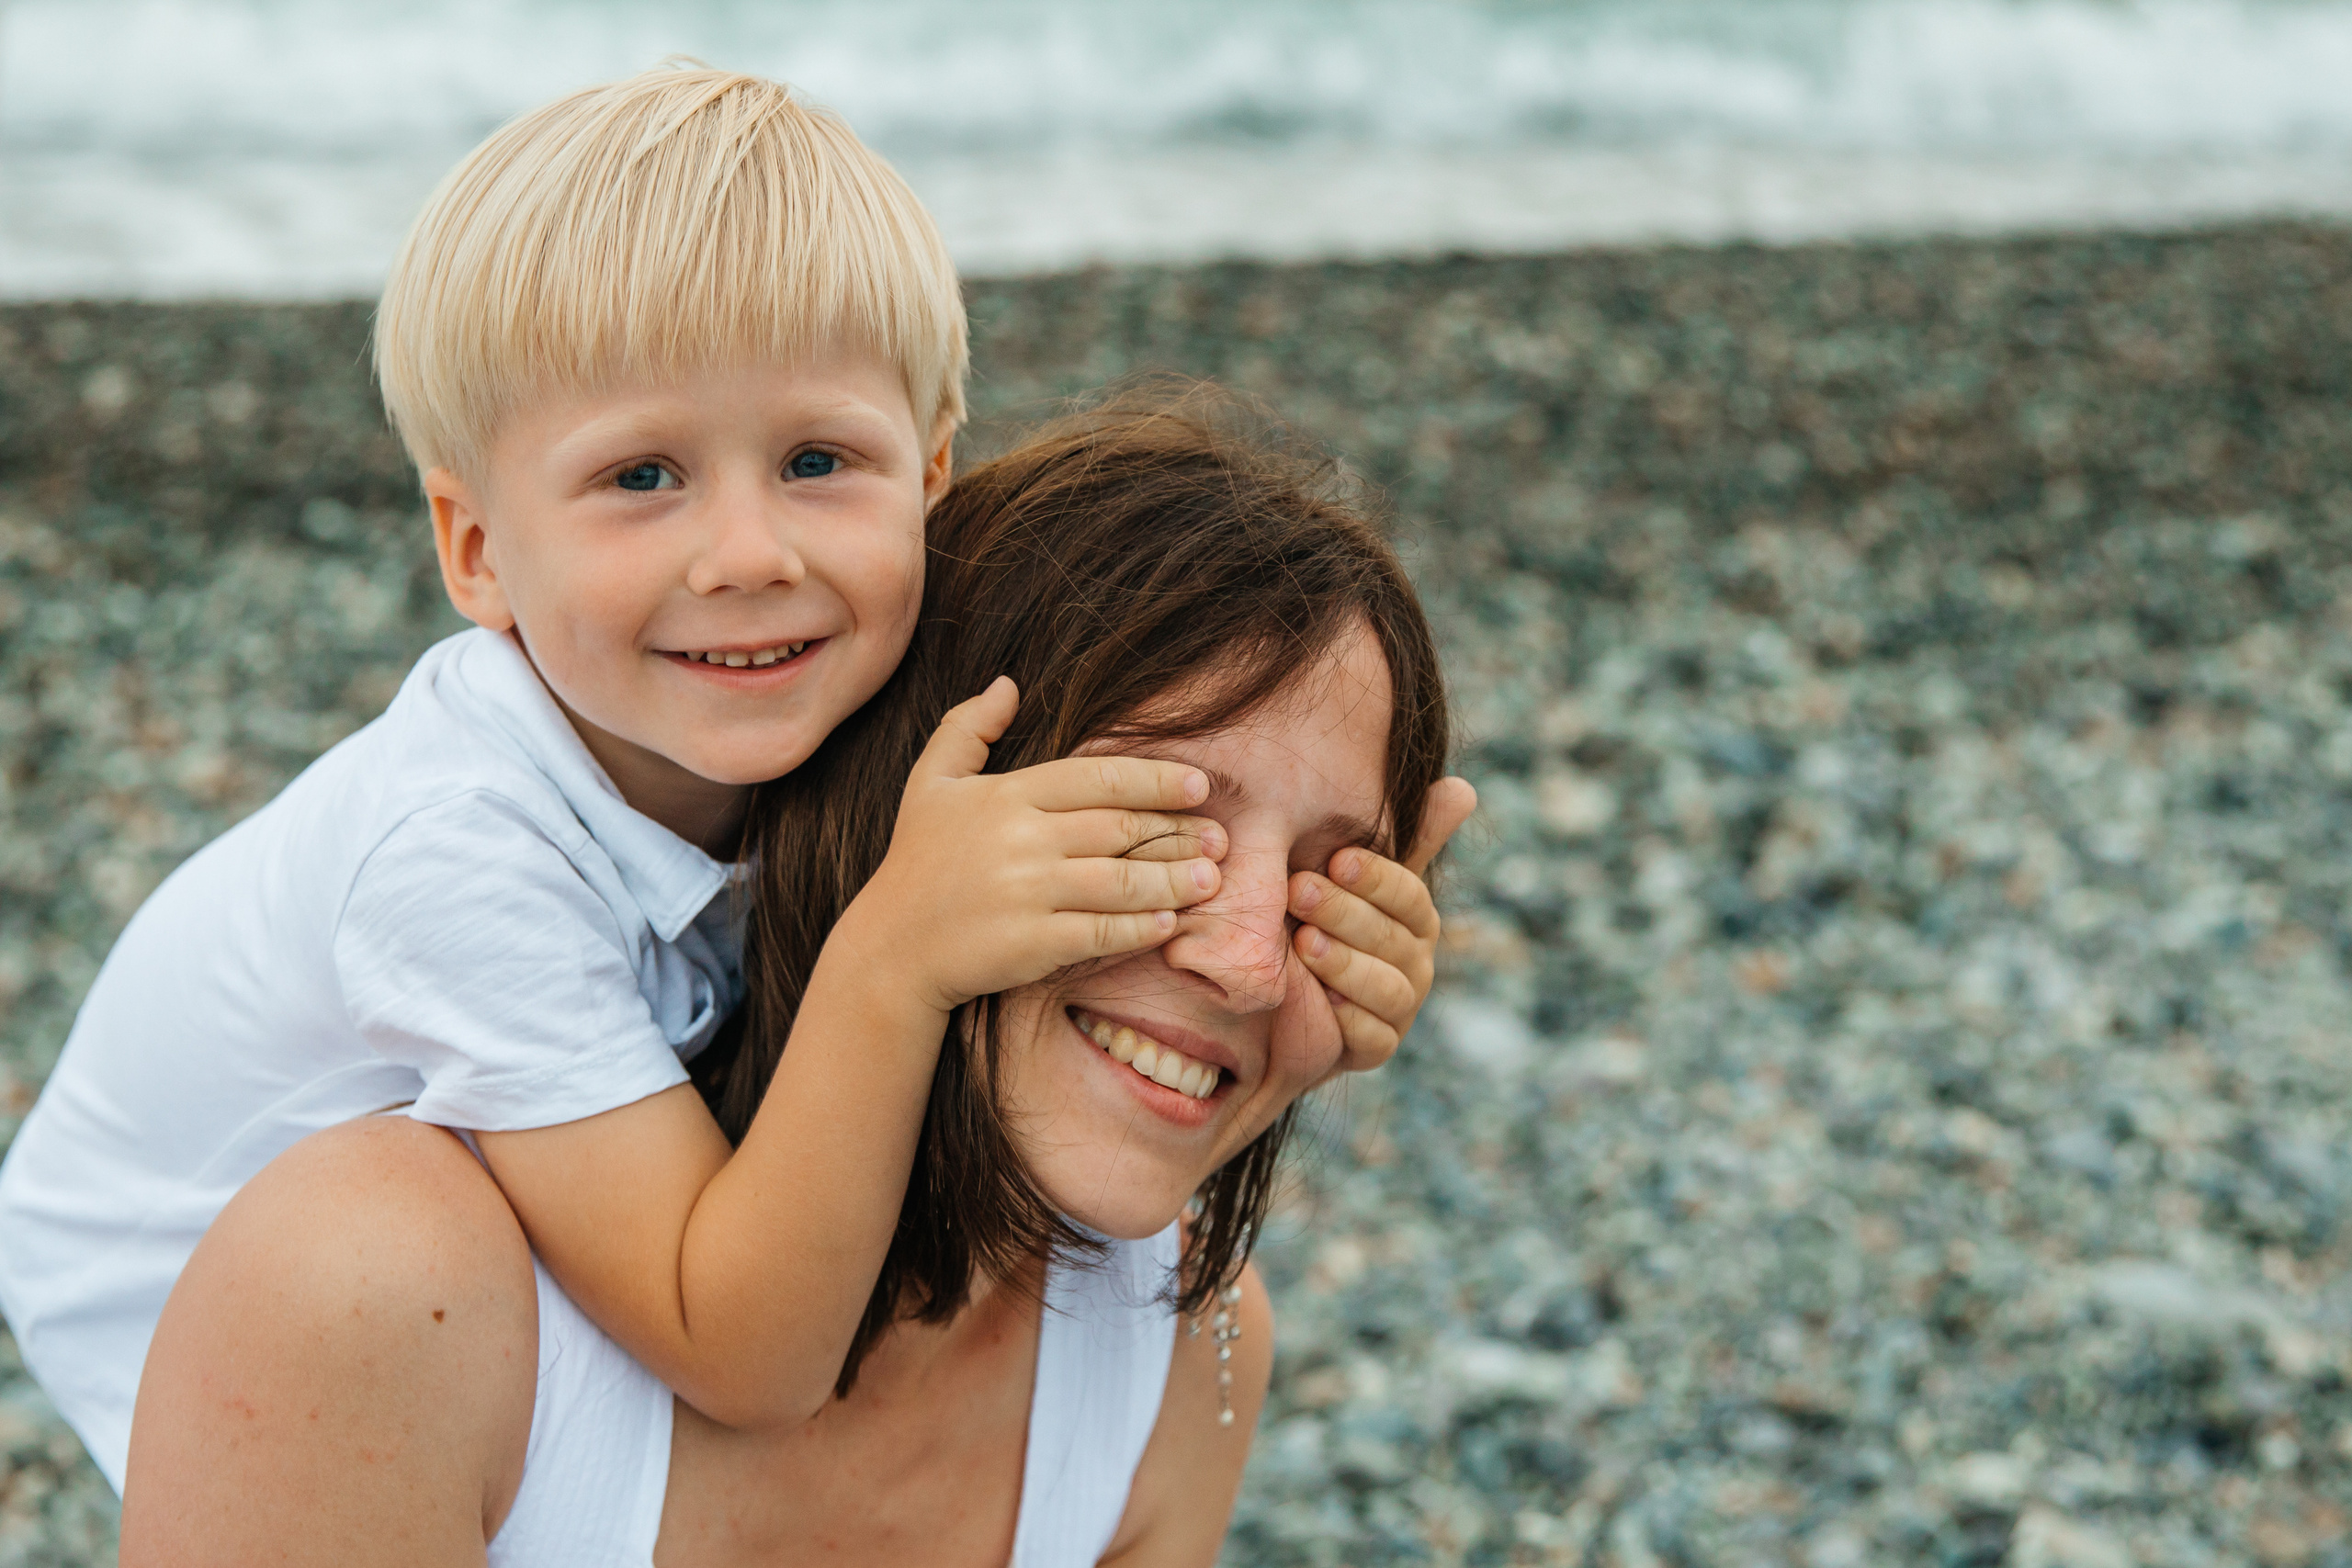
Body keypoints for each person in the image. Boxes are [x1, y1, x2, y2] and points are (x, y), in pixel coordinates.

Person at [0, 67, 1438, 1487]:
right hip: (183, 1292)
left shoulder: (747, 718)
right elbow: (744, 1352)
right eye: (642, 478)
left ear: (932, 479)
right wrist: (896, 955)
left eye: (819, 459)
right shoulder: (458, 850)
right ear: (476, 551)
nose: (750, 553)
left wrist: (1299, 957)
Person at [119, 392, 1476, 1566]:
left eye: (1326, 881)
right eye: (1152, 828)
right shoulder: (381, 1290)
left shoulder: (1182, 1355)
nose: (1247, 962)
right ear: (907, 802)